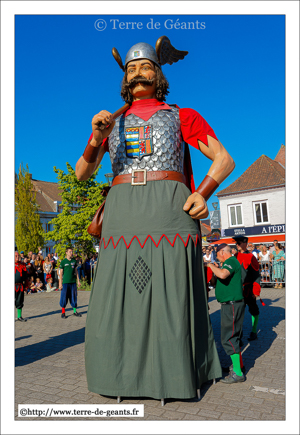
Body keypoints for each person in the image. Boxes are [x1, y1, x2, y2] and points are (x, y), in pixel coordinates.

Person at [75, 37, 235, 402]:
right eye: (131, 68)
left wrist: (203, 191)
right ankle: (116, 375)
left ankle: (174, 375)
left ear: (159, 73)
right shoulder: (107, 123)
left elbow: (224, 159)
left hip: (169, 211)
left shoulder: (182, 115)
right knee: (119, 294)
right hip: (122, 214)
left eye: (145, 66)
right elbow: (84, 173)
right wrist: (95, 138)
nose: (137, 73)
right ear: (124, 80)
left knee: (171, 293)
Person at [207, 244, 245, 383]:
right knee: (234, 336)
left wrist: (211, 265)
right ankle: (237, 366)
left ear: (222, 252)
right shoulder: (227, 263)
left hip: (232, 304)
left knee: (229, 338)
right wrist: (214, 269)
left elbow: (223, 275)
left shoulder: (231, 261)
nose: (215, 255)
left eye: (217, 253)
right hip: (230, 304)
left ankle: (238, 373)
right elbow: (214, 282)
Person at [232, 236, 262, 341]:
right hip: (237, 290)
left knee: (254, 310)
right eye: (236, 243)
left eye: (239, 243)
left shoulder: (251, 257)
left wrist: (256, 291)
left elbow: (256, 275)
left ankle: (254, 331)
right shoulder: (234, 256)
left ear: (245, 243)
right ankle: (238, 335)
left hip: (249, 290)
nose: (237, 245)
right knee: (238, 313)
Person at [59, 247, 82, 318]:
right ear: (66, 252)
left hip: (73, 282)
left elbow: (76, 271)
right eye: (70, 252)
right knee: (64, 297)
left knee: (73, 297)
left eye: (72, 252)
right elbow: (61, 274)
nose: (71, 253)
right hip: (65, 283)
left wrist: (78, 281)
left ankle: (74, 312)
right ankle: (63, 313)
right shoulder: (63, 262)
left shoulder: (74, 261)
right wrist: (60, 283)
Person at [15, 250, 27, 321]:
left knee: (19, 301)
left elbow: (25, 277)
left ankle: (19, 316)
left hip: (20, 286)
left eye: (18, 256)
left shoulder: (22, 265)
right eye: (15, 256)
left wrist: (26, 286)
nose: (17, 257)